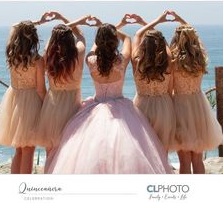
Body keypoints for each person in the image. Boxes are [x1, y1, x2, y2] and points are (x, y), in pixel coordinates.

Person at [45, 16, 172, 174]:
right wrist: (118, 26)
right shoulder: (121, 60)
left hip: (95, 107)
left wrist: (102, 28)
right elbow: (126, 38)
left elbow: (95, 44)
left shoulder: (91, 60)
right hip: (121, 108)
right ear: (114, 41)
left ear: (98, 40)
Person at [0, 15, 48, 174]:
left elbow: (14, 26)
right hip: (31, 103)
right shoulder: (37, 60)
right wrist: (48, 105)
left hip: (14, 100)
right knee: (29, 149)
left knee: (20, 150)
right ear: (33, 39)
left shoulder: (11, 54)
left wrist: (33, 23)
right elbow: (40, 89)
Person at [169, 11, 223, 174]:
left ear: (176, 39)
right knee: (198, 159)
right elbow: (196, 37)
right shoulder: (200, 57)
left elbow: (170, 86)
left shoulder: (173, 60)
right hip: (199, 107)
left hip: (179, 107)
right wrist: (181, 20)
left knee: (184, 161)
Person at [36, 12, 90, 156]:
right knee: (70, 152)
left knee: (50, 151)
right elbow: (80, 35)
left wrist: (60, 25)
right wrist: (65, 18)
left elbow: (54, 38)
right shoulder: (78, 53)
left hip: (52, 105)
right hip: (73, 106)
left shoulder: (48, 54)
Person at [120, 12, 176, 152]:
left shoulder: (137, 60)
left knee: (143, 149)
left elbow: (138, 35)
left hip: (142, 105)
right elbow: (163, 43)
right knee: (163, 150)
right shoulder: (168, 59)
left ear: (144, 45)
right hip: (164, 106)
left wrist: (154, 20)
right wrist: (151, 21)